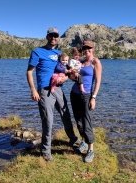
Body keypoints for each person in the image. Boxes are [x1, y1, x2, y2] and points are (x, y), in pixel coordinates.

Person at [26, 27, 80, 161]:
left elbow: (66, 71)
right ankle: (46, 150)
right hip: (45, 90)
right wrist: (33, 90)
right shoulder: (37, 52)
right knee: (48, 120)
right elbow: (29, 72)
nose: (54, 38)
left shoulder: (59, 53)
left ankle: (73, 140)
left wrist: (66, 78)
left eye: (56, 36)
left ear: (58, 38)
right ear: (47, 37)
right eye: (51, 35)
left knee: (66, 115)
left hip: (59, 89)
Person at [70, 40, 102, 163]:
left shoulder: (96, 62)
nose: (87, 51)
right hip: (74, 94)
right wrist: (72, 74)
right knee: (78, 121)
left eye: (89, 49)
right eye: (85, 49)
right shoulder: (81, 62)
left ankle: (90, 149)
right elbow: (73, 78)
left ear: (93, 49)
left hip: (86, 95)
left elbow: (98, 81)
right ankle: (83, 142)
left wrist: (93, 97)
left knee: (86, 121)